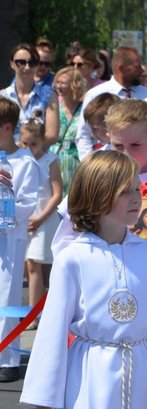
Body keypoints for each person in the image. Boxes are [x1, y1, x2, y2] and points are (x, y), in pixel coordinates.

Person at [21, 150, 147, 409]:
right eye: (125, 192)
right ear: (97, 196)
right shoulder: (73, 258)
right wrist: (44, 405)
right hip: (90, 378)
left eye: (137, 189)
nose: (136, 198)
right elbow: (52, 333)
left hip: (143, 377)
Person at [51, 99, 147, 257]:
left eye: (135, 145)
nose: (126, 154)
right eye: (118, 146)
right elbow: (66, 241)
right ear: (109, 139)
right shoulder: (94, 181)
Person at [0, 98, 39, 383]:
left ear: (6, 128)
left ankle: (7, 357)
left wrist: (5, 198)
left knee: (6, 295)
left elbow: (28, 204)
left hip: (9, 237)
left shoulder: (25, 163)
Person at [75, 46, 147, 160]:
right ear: (121, 68)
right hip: (105, 162)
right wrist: (90, 164)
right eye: (136, 67)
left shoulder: (146, 94)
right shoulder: (96, 94)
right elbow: (83, 134)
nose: (142, 71)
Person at [22, 118, 62, 331]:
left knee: (35, 264)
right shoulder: (20, 160)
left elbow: (57, 194)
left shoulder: (50, 160)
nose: (29, 148)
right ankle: (36, 309)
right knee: (28, 267)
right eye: (25, 143)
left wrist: (40, 218)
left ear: (43, 141)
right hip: (25, 218)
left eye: (34, 144)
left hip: (44, 218)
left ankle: (34, 315)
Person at [2, 43, 59, 146]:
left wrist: (27, 148)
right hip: (6, 154)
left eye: (32, 63)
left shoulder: (49, 96)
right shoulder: (2, 97)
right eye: (21, 62)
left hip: (37, 154)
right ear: (12, 64)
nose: (27, 67)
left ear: (37, 65)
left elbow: (52, 135)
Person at [49, 66, 87, 196]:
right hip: (54, 161)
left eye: (63, 83)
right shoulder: (53, 108)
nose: (58, 86)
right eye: (57, 82)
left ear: (74, 85)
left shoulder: (84, 108)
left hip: (76, 162)